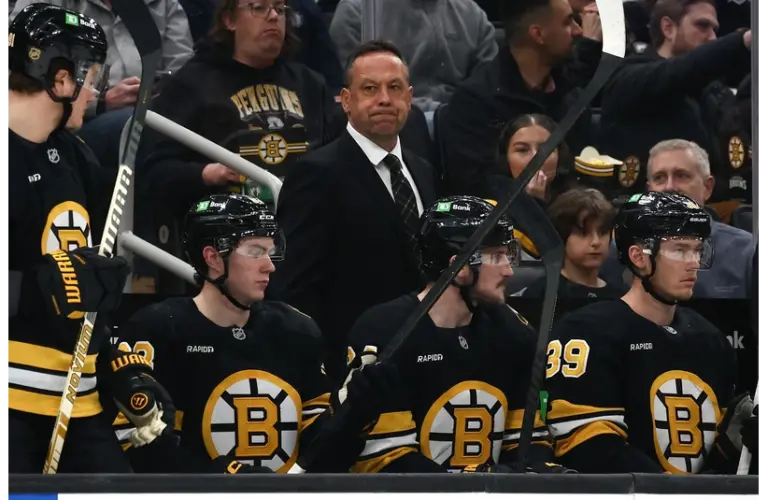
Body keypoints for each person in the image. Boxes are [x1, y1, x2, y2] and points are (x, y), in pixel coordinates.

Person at [113, 193, 404, 473]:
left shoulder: (296, 329)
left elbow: (320, 451)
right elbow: (141, 443)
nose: (269, 266)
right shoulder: (159, 330)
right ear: (213, 257)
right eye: (255, 251)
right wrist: (217, 480)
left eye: (270, 252)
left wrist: (352, 414)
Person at [7, 4, 172, 473]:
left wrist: (117, 362)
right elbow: (52, 286)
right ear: (59, 79)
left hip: (78, 401)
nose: (93, 92)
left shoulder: (77, 160)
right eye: (89, 77)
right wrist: (38, 289)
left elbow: (84, 288)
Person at [342, 196, 571, 473]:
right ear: (459, 267)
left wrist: (537, 473)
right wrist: (474, 486)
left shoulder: (514, 331)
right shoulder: (385, 331)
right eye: (497, 257)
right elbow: (387, 458)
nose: (510, 270)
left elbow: (525, 441)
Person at [544, 191, 755, 473]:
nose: (693, 262)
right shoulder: (585, 333)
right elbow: (590, 448)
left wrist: (738, 446)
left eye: (697, 250)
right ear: (639, 257)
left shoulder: (711, 339)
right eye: (680, 250)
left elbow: (720, 451)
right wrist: (676, 494)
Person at [267, 40, 439, 383]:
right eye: (370, 89)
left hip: (423, 357)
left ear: (409, 96)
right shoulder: (316, 173)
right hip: (350, 365)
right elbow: (293, 286)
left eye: (394, 88)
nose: (385, 99)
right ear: (346, 101)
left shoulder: (421, 169)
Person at [440, 0, 603, 198]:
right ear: (538, 34)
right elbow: (474, 186)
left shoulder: (572, 96)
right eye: (568, 22)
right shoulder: (475, 103)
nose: (578, 31)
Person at [9, 0, 195, 170]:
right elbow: (18, 69)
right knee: (133, 125)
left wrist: (156, 91)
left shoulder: (164, 5)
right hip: (83, 117)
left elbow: (183, 71)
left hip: (154, 109)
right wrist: (101, 102)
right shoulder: (46, 6)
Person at [598, 0, 752, 202]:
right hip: (638, 216)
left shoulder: (717, 94)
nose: (713, 38)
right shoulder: (630, 78)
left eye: (715, 30)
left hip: (711, 217)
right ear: (668, 28)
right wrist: (743, 40)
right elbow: (680, 72)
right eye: (702, 26)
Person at [601, 139, 753, 298]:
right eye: (659, 177)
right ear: (649, 191)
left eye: (681, 175)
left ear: (707, 187)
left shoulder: (744, 253)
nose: (669, 187)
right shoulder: (618, 252)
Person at [329, 0, 498, 114]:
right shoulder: (358, 12)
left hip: (464, 122)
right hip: (392, 121)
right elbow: (361, 93)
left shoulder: (473, 14)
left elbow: (490, 86)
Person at [520, 188, 624, 298]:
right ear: (561, 236)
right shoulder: (542, 295)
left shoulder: (621, 297)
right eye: (584, 233)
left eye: (603, 233)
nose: (596, 242)